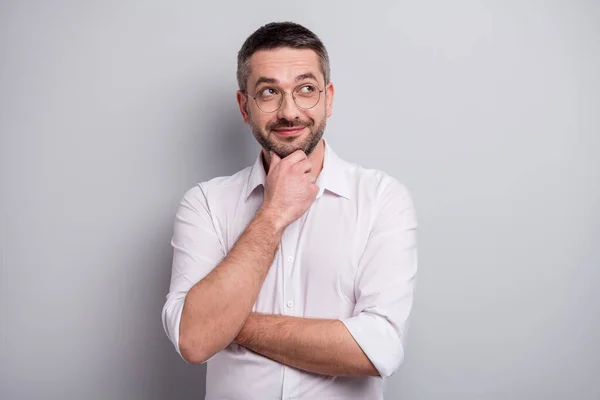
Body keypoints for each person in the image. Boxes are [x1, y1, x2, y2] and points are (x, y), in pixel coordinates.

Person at [162, 21, 418, 400]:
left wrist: (230, 324)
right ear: (244, 106)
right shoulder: (205, 204)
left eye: (306, 90)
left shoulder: (382, 198)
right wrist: (274, 213)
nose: (289, 111)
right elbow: (195, 340)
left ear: (328, 98)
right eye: (268, 92)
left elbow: (379, 348)